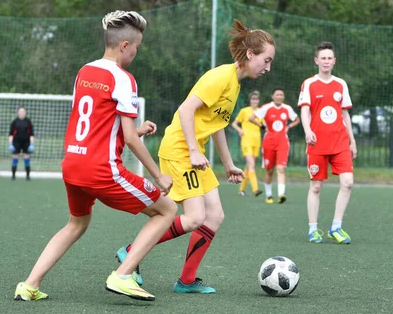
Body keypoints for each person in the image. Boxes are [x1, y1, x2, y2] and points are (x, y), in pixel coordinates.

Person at [14, 10, 177, 302]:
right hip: (102, 170)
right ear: (124, 45)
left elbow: (96, 127)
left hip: (73, 164)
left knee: (77, 223)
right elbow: (125, 139)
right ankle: (123, 275)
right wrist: (158, 175)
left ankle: (29, 285)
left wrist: (137, 131)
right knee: (167, 210)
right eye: (137, 47)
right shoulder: (124, 79)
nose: (137, 53)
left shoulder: (84, 71)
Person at [117, 19, 276, 294]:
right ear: (251, 54)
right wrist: (192, 150)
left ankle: (186, 281)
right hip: (179, 150)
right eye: (266, 60)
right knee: (194, 218)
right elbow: (185, 110)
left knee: (214, 216)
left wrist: (228, 165)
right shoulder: (221, 77)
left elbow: (217, 126)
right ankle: (130, 251)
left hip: (193, 152)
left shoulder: (235, 84)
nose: (268, 67)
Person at [298, 42, 357, 244]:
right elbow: (304, 110)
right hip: (317, 143)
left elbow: (345, 114)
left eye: (329, 58)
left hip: (340, 142)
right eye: (322, 58)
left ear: (334, 61)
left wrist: (352, 140)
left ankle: (336, 227)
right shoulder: (309, 84)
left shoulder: (341, 84)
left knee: (348, 183)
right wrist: (308, 130)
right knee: (316, 187)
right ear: (316, 61)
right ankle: (313, 229)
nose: (326, 61)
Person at [249, 87, 300, 204]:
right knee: (269, 171)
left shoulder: (287, 108)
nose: (279, 97)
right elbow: (251, 118)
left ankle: (281, 195)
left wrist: (289, 126)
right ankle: (269, 195)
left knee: (281, 168)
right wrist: (262, 126)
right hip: (269, 142)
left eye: (281, 95)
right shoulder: (267, 108)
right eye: (277, 95)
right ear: (273, 96)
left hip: (282, 142)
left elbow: (297, 119)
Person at [231, 91, 263, 197]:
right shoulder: (244, 111)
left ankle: (241, 190)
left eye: (256, 99)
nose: (255, 101)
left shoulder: (261, 112)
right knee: (252, 165)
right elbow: (234, 124)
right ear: (250, 100)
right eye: (253, 99)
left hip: (256, 141)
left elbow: (264, 125)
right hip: (246, 141)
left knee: (249, 166)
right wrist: (240, 130)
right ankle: (255, 189)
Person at [8, 107, 35, 181]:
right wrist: (10, 144)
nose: (22, 113)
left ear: (25, 113)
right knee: (15, 157)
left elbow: (31, 134)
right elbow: (11, 134)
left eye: (23, 112)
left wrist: (32, 144)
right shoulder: (14, 122)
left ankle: (28, 176)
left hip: (26, 142)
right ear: (18, 113)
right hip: (16, 142)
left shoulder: (28, 122)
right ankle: (13, 176)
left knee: (26, 158)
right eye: (20, 112)